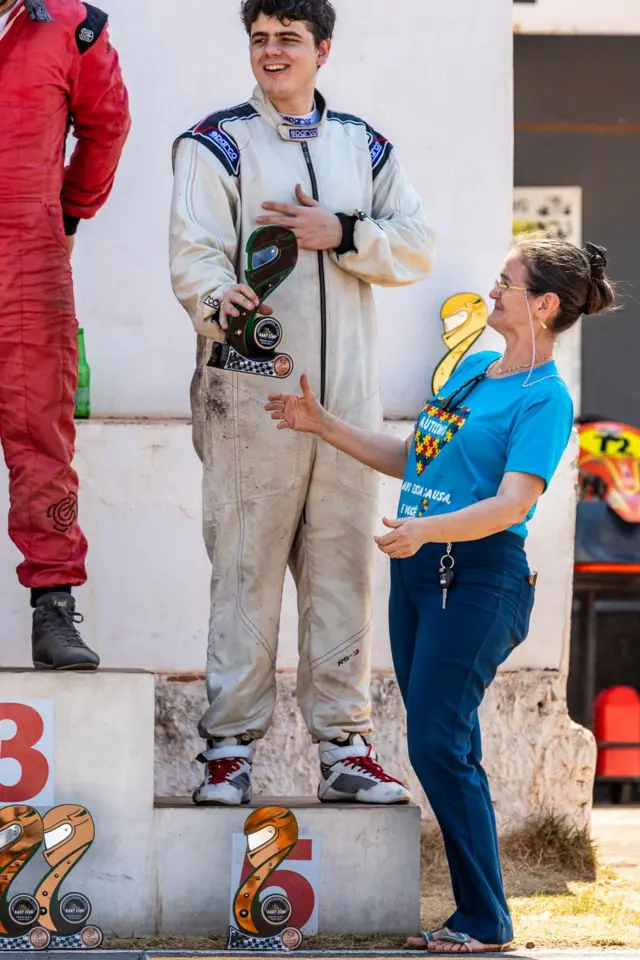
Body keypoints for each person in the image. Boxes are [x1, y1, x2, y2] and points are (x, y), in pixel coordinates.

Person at [265, 238, 615, 952]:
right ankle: (480, 916)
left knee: (435, 743)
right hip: (422, 569)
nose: (493, 289)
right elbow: (415, 457)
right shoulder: (477, 372)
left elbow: (514, 504)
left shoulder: (546, 401)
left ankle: (486, 920)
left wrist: (427, 531)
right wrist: (323, 424)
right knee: (446, 742)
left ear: (542, 306)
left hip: (478, 579)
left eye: (506, 282)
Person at [169, 0, 434, 805]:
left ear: (323, 48)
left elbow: (416, 245)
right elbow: (195, 254)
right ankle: (228, 751)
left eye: (289, 39)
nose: (272, 52)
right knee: (244, 566)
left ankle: (346, 749)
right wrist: (222, 303)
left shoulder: (365, 144)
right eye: (260, 39)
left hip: (348, 398)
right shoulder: (215, 143)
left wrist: (342, 232)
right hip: (252, 392)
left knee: (342, 567)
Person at [0, 0, 130, 669]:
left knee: (40, 435)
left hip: (28, 265)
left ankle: (53, 612)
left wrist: (70, 213)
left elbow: (107, 125)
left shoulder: (74, 25)